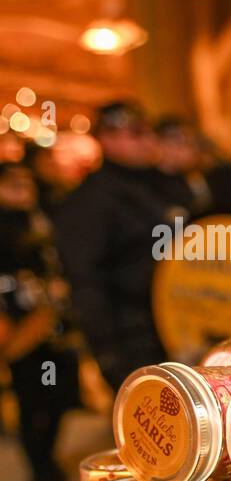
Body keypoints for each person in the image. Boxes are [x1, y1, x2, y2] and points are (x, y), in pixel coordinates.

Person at [55, 101, 171, 389]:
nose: (147, 141)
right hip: (130, 337)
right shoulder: (91, 200)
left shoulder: (157, 186)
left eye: (148, 132)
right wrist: (108, 354)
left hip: (170, 326)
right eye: (135, 133)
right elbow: (85, 280)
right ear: (106, 139)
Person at [0, 159, 79, 481]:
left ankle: (46, 455)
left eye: (26, 183)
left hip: (54, 327)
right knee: (32, 398)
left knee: (58, 392)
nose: (23, 190)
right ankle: (41, 464)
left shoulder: (43, 217)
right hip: (21, 331)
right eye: (13, 184)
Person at [154, 117, 209, 215]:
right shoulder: (150, 185)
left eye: (192, 144)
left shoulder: (192, 177)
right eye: (185, 143)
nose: (193, 150)